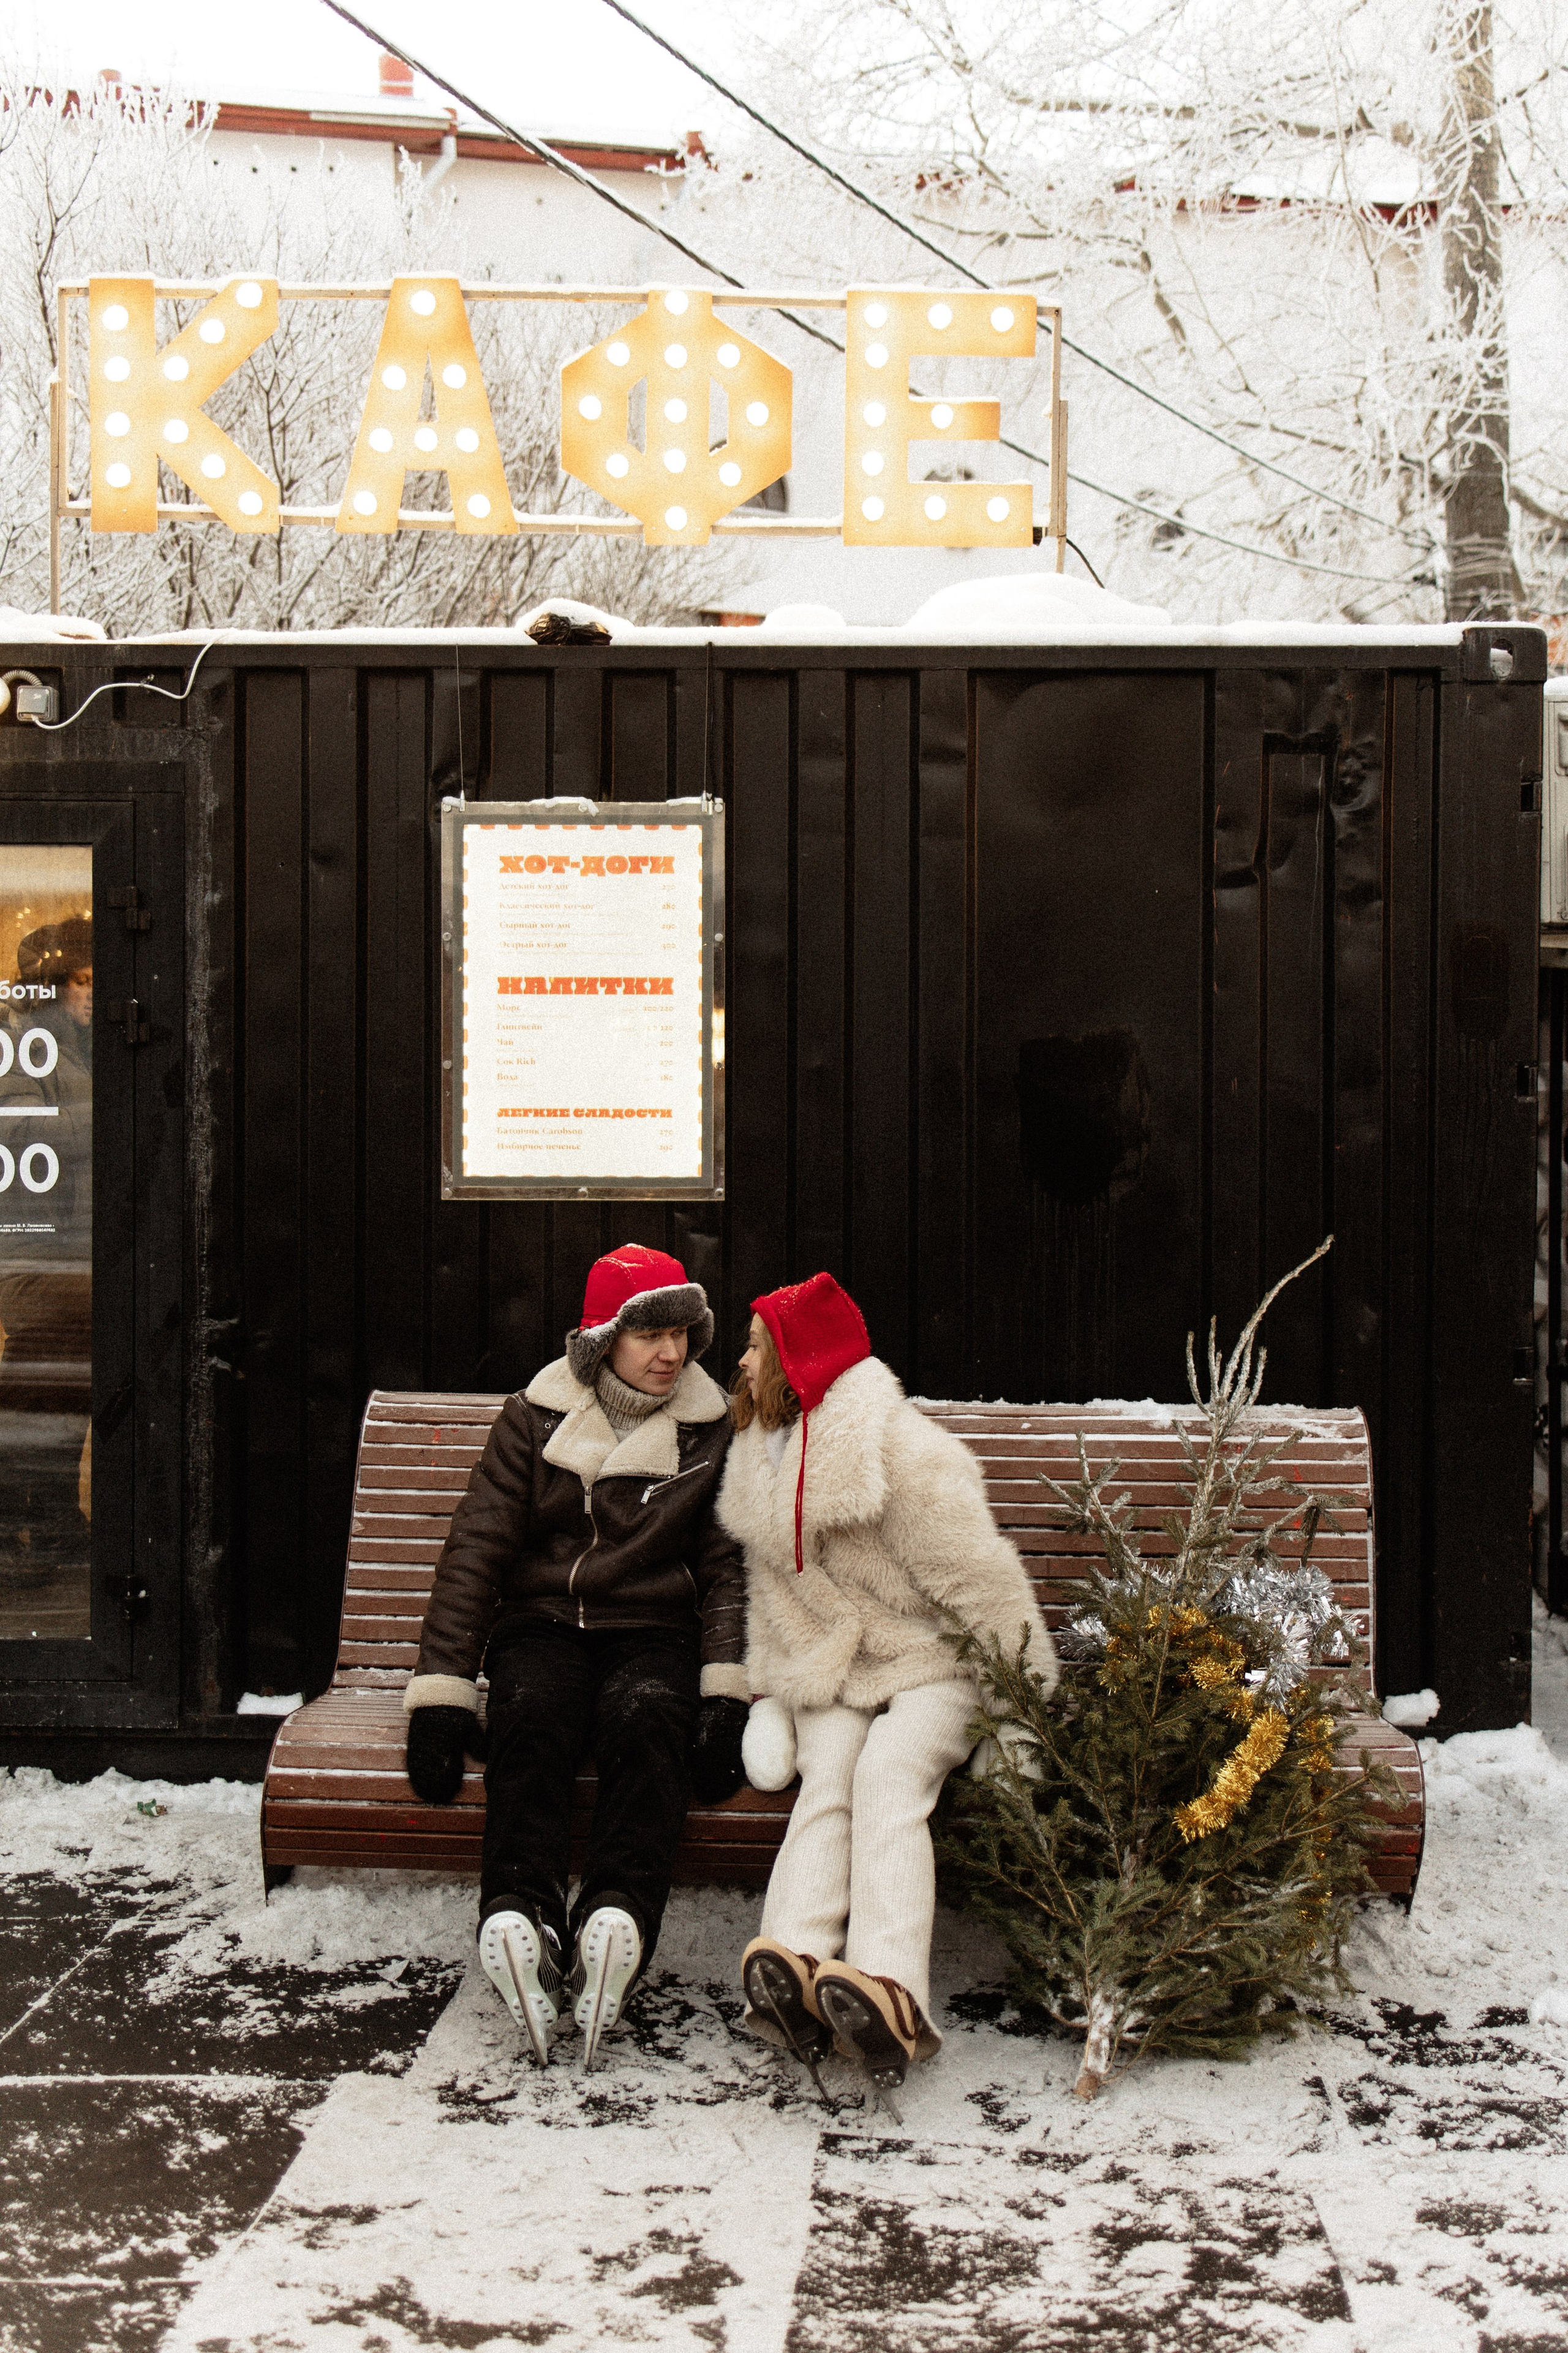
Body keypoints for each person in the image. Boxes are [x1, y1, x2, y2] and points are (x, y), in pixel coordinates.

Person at [402, 1243, 751, 2068]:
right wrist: (444, 1694)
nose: (672, 1353)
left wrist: (725, 1691)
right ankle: (520, 1915)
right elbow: (477, 1551)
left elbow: (729, 1564)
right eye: (651, 1335)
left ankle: (616, 1921)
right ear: (603, 1342)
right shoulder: (533, 1417)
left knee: (650, 1718)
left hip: (654, 1632)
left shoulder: (710, 1429)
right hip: (545, 1622)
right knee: (530, 1710)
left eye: (684, 1334)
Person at [718, 1272, 1056, 2099]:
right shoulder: (762, 1455)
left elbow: (987, 1589)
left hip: (938, 1659)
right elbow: (774, 1591)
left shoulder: (904, 1457)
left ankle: (890, 1992)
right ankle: (794, 1968)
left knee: (887, 1771)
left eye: (759, 1347)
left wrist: (1020, 1714)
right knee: (829, 1773)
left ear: (801, 1367)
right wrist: (767, 1695)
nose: (744, 1359)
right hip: (836, 1664)